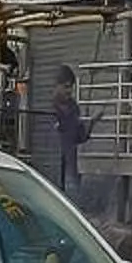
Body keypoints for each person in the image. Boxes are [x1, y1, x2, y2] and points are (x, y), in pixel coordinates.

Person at [49, 66, 89, 195]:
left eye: (71, 87)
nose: (69, 91)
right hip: (50, 166)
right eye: (66, 87)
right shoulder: (47, 107)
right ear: (57, 86)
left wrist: (90, 125)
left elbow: (80, 137)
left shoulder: (74, 107)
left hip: (70, 166)